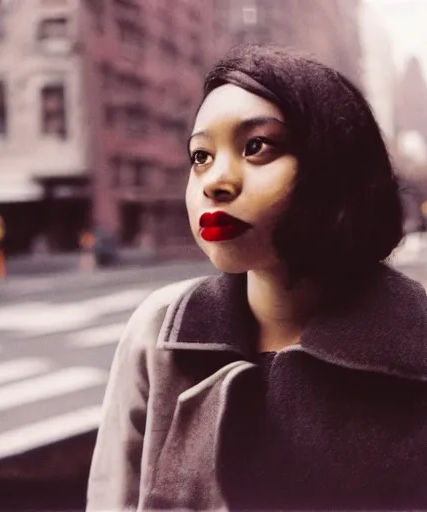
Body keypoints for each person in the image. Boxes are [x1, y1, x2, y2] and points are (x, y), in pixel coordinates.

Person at [86, 44, 427, 511]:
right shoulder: (160, 331)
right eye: (200, 156)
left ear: (335, 165)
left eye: (256, 147)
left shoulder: (416, 339)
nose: (215, 181)